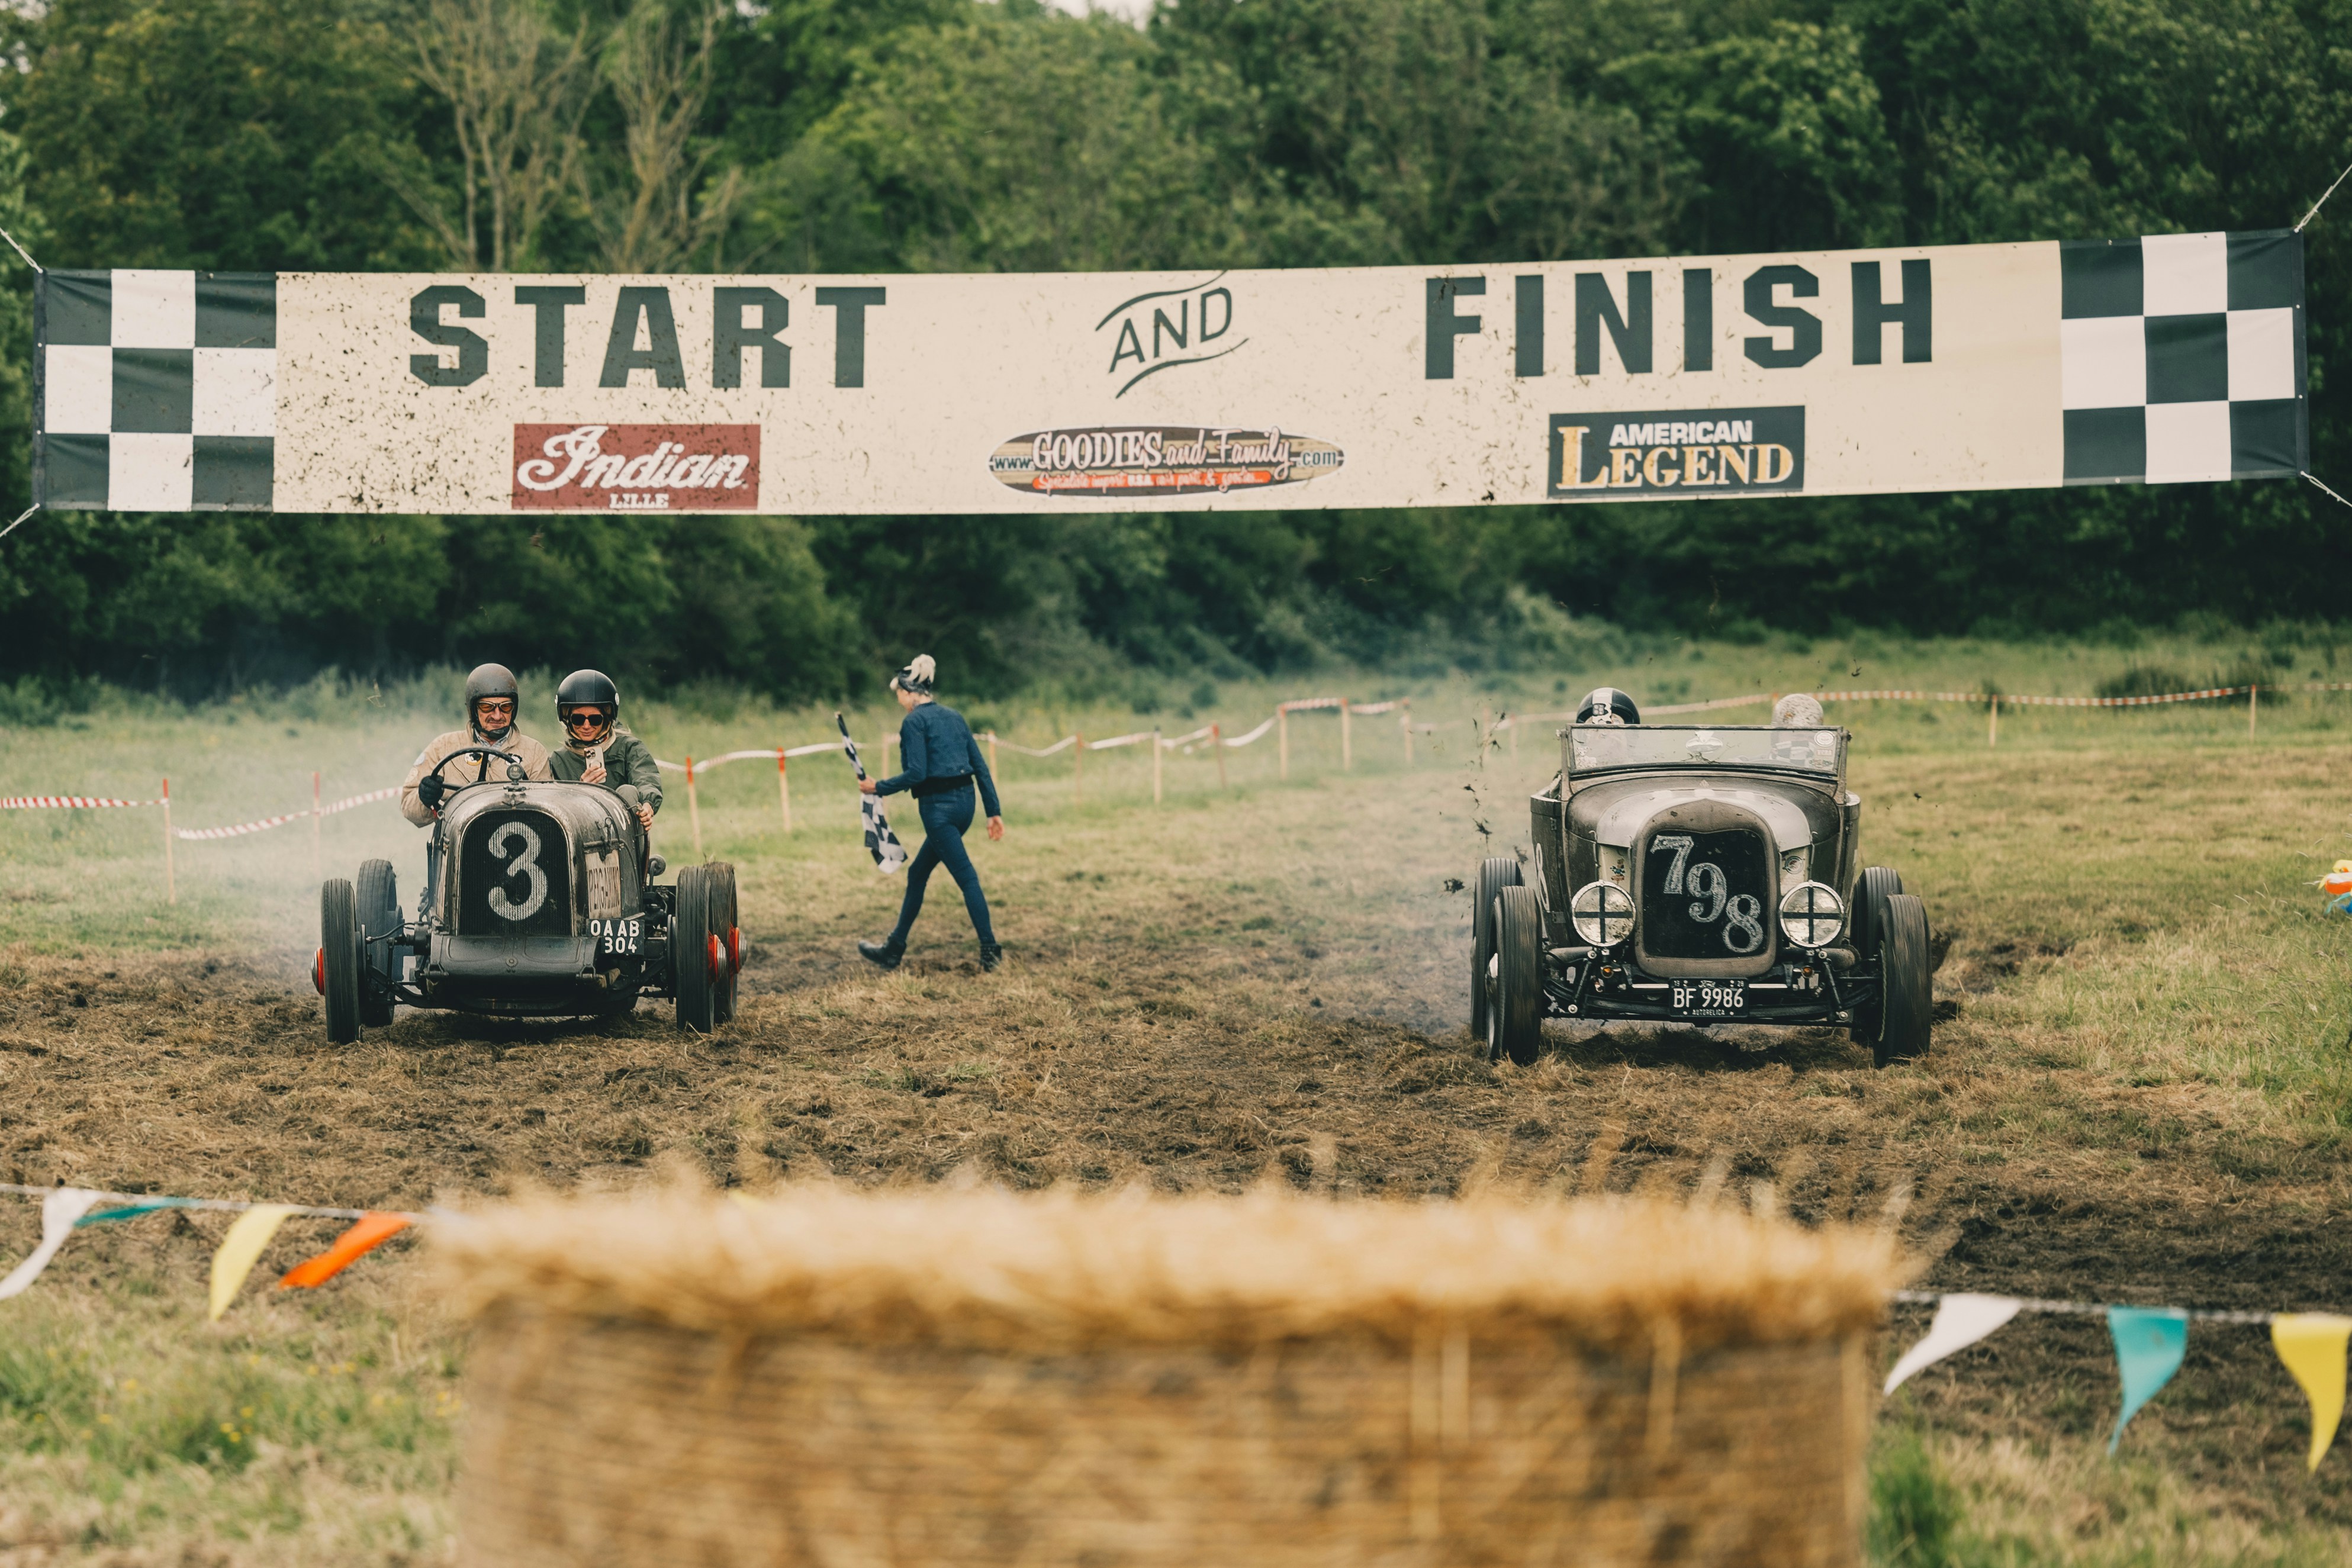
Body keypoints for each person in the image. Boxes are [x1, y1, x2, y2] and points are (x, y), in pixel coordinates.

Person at [855, 655, 1005, 973]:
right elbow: (980, 767)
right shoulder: (955, 717)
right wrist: (993, 811)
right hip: (966, 807)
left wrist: (877, 787)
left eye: (899, 693)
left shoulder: (913, 722)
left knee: (967, 878)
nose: (898, 700)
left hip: (939, 811)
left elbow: (917, 774)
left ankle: (990, 951)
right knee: (918, 873)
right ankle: (893, 950)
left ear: (910, 692)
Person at [400, 663, 554, 826]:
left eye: (506, 707)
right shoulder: (443, 747)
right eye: (487, 707)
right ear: (473, 709)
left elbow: (548, 810)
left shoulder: (534, 751)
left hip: (517, 839)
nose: (497, 715)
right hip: (459, 842)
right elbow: (409, 808)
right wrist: (425, 798)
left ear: (514, 709)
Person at [545, 669, 660, 831]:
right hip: (580, 836)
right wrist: (580, 790)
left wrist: (648, 805)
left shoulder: (629, 748)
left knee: (628, 791)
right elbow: (552, 807)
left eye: (595, 719)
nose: (586, 726)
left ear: (607, 718)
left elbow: (646, 777)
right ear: (567, 720)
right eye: (578, 719)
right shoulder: (558, 760)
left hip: (625, 841)